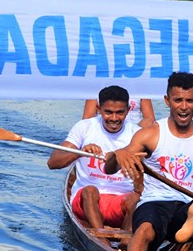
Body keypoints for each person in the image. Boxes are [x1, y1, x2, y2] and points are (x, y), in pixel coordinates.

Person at [105, 72, 193, 251]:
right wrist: (116, 155)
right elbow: (110, 169)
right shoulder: (149, 135)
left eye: (189, 100)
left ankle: (187, 229)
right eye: (178, 100)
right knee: (145, 230)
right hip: (153, 204)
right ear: (167, 100)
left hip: (185, 209)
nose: (184, 107)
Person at [47, 85, 143, 231]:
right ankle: (102, 238)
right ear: (98, 109)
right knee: (90, 191)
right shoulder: (84, 127)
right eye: (108, 112)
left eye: (120, 113)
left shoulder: (136, 133)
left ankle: (127, 244)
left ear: (128, 110)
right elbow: (53, 163)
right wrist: (80, 152)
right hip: (87, 201)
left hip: (120, 202)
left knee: (136, 199)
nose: (114, 118)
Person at [83, 97, 155, 128]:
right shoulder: (94, 89)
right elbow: (87, 119)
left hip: (135, 132)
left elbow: (150, 119)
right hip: (105, 129)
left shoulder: (141, 88)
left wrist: (135, 134)